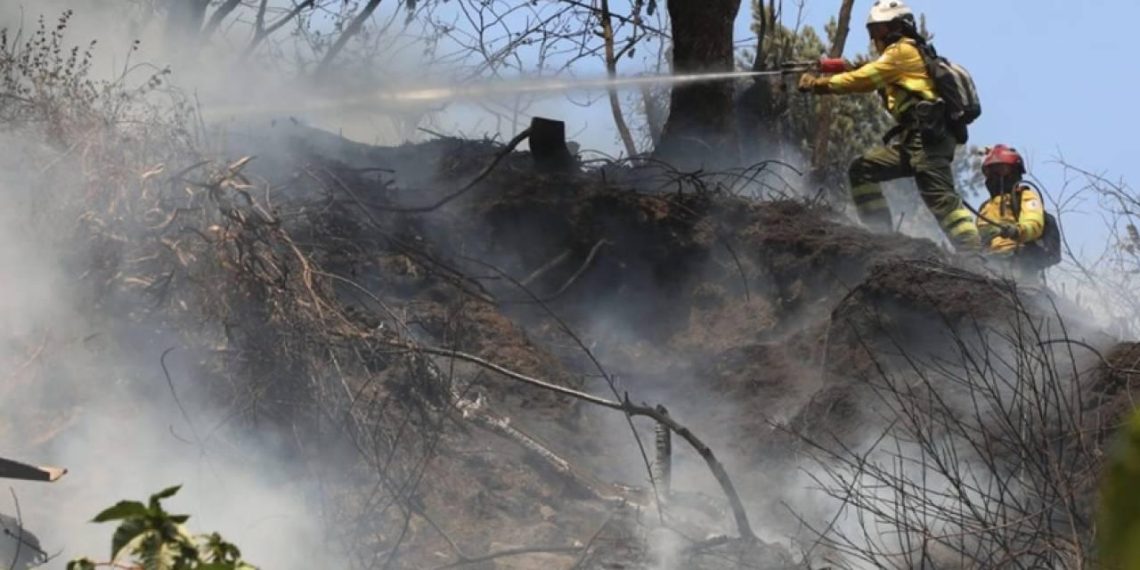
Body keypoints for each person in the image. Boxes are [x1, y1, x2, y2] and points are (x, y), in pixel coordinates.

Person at [797, 0, 980, 251]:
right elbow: (868, 70)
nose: (875, 37)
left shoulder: (902, 51)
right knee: (862, 170)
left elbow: (865, 79)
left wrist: (819, 84)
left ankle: (974, 254)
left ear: (897, 27)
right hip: (914, 138)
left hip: (929, 138)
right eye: (872, 31)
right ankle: (880, 234)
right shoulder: (903, 56)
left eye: (879, 29)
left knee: (940, 198)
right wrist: (835, 66)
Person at [975, 144, 1048, 279]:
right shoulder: (985, 207)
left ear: (1014, 172)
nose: (996, 176)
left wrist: (1016, 231)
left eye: (1002, 170)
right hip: (990, 262)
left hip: (1019, 260)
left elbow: (1034, 223)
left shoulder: (1024, 196)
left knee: (1023, 291)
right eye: (992, 171)